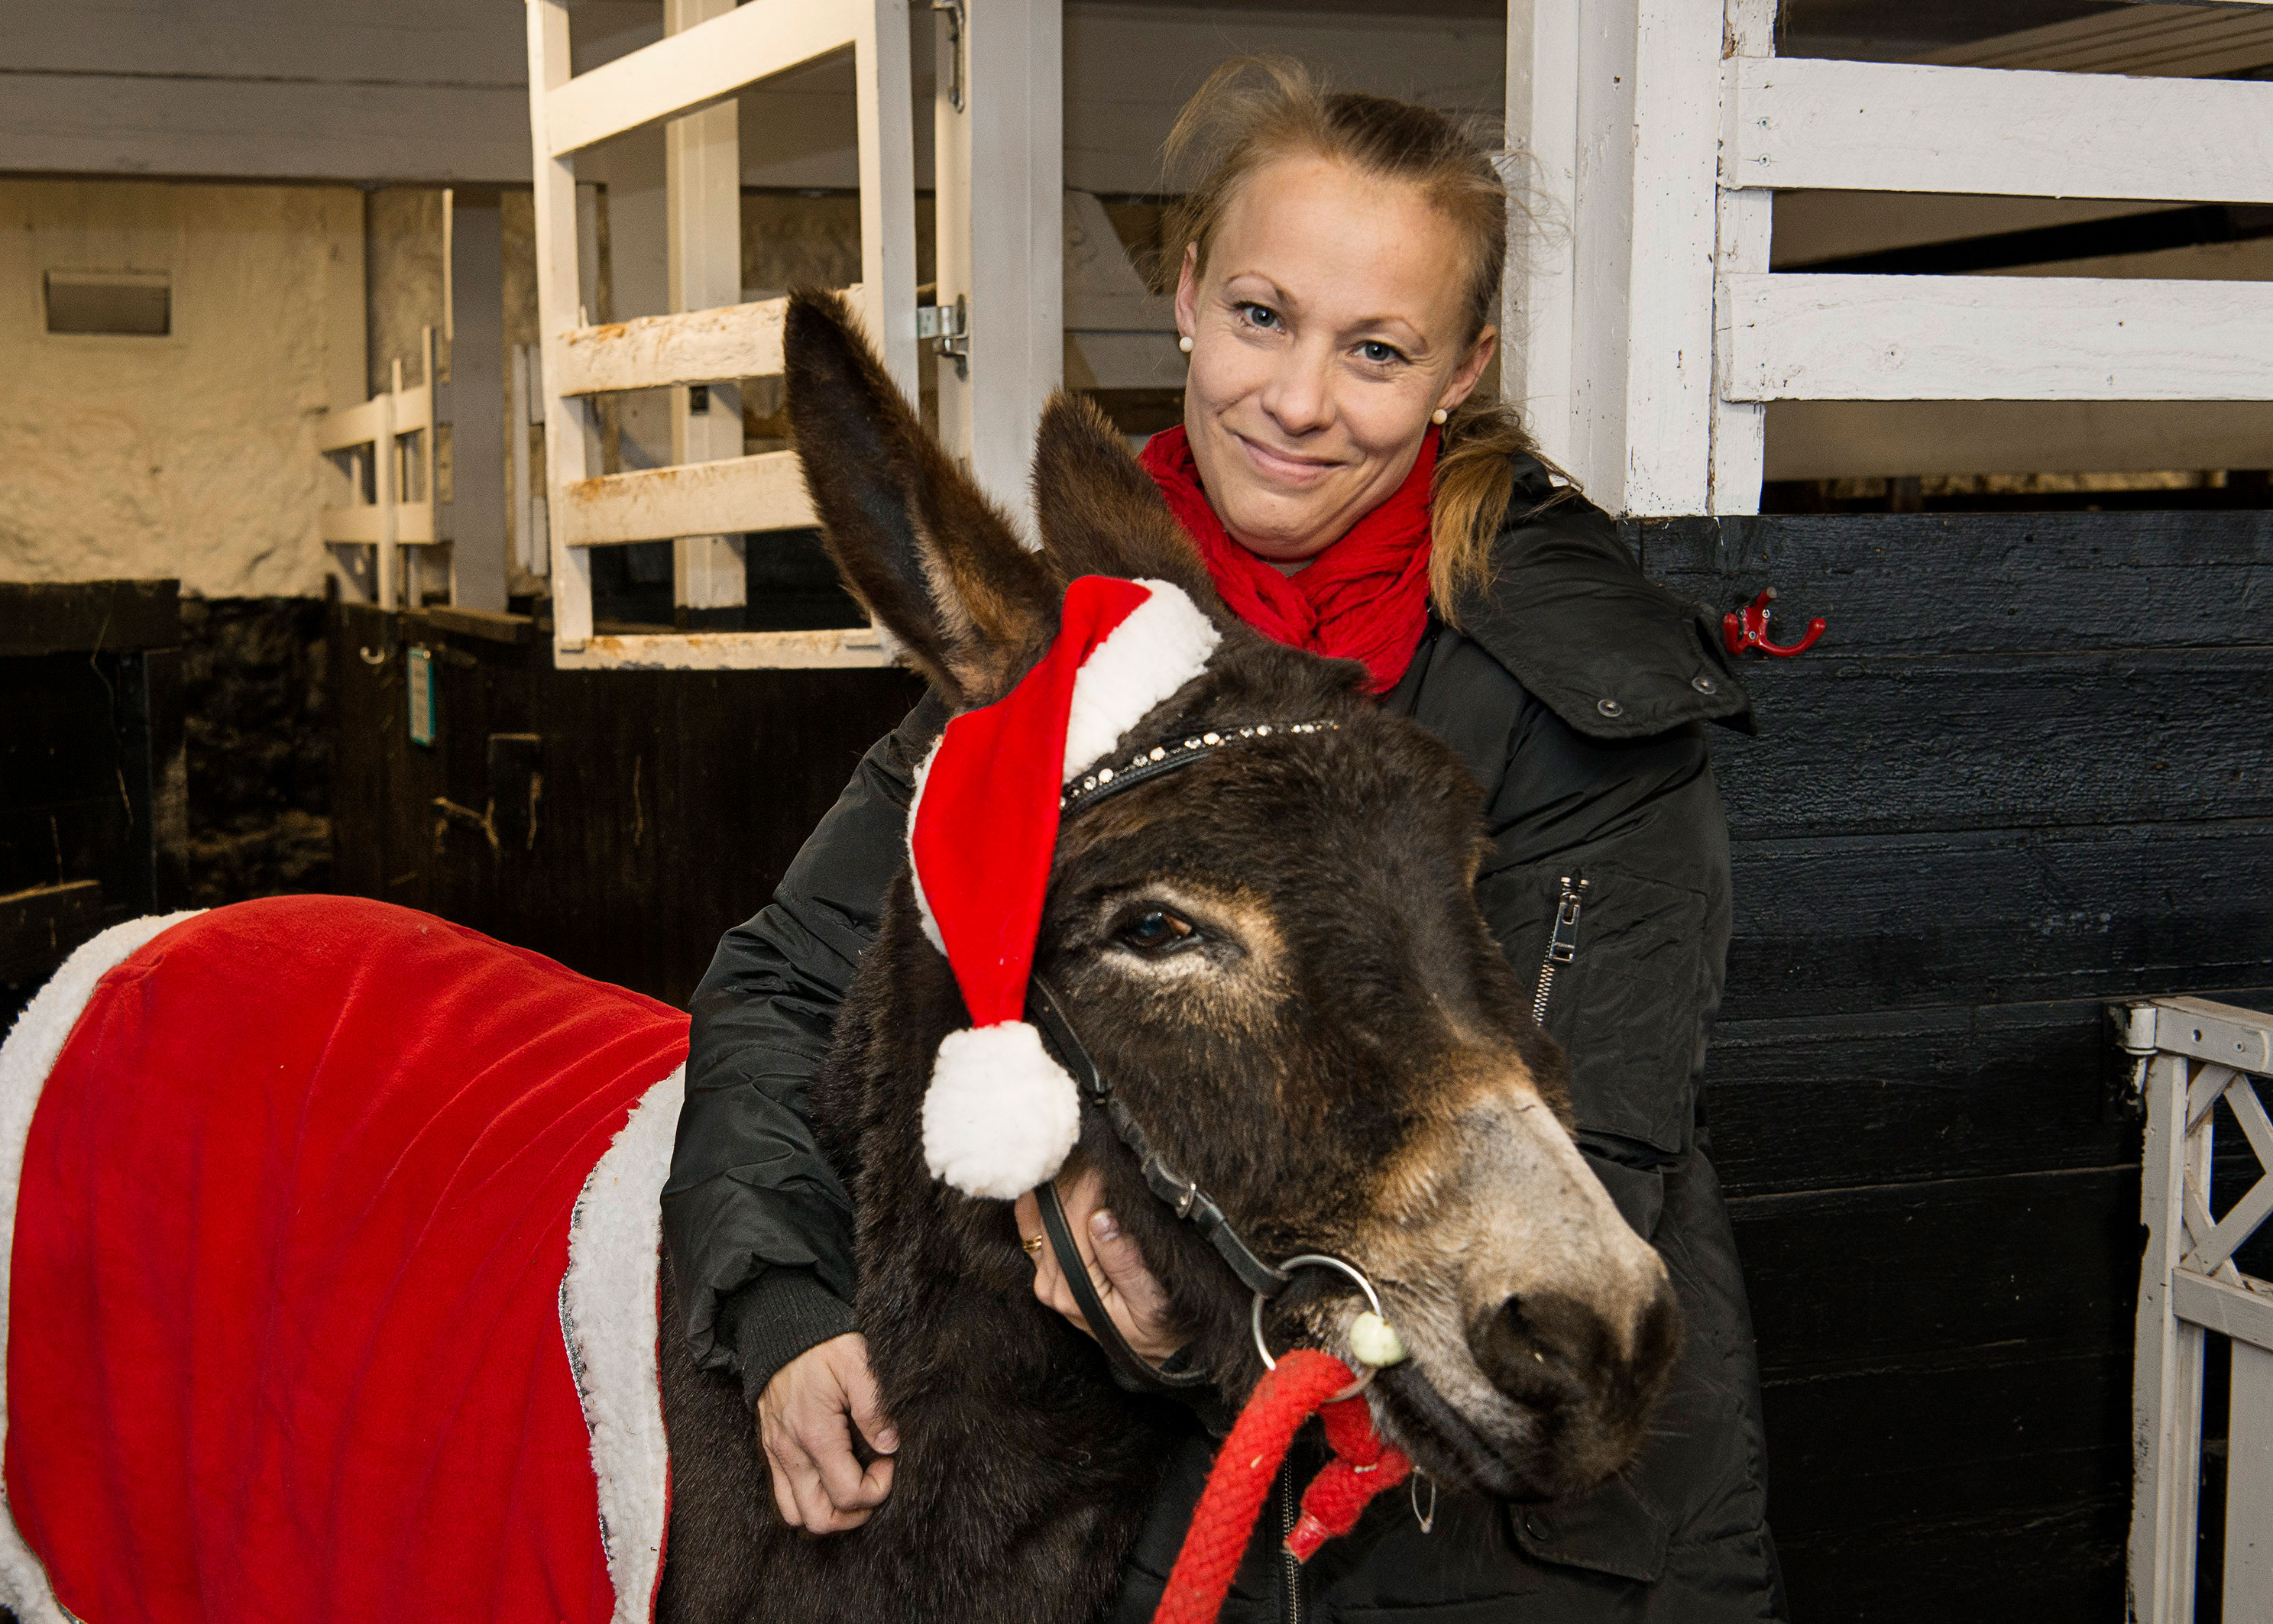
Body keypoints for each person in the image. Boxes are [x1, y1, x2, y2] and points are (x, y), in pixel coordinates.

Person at [662, 57, 1788, 1619]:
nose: (1300, 398)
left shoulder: (1569, 686)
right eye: (1262, 316)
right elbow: (788, 981)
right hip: (1150, 1491)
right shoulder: (1075, 659)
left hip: (1502, 1489)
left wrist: (1164, 1285)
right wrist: (777, 1300)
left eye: (1375, 349)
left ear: (1459, 369)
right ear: (1185, 296)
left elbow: (1580, 1136)